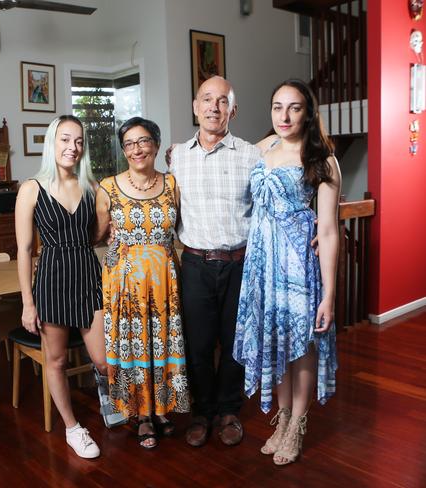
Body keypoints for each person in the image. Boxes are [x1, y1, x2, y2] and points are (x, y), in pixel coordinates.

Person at [233, 79, 340, 465]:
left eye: (294, 107)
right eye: (278, 107)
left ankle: (297, 423)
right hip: (262, 266)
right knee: (276, 344)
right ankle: (281, 420)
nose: (284, 115)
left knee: (302, 347)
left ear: (308, 112)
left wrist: (328, 294)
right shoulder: (260, 150)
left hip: (299, 264)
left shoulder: (322, 159)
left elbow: (327, 230)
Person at [168, 76, 261, 448]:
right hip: (195, 265)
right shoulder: (177, 158)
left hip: (240, 263)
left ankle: (229, 412)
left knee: (235, 343)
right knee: (198, 345)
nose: (213, 107)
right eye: (206, 99)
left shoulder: (253, 156)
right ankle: (202, 413)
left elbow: (266, 210)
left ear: (232, 110)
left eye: (222, 101)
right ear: (195, 107)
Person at [15, 115, 106, 459]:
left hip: (88, 273)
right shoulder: (31, 189)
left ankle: (107, 397)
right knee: (55, 361)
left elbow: (97, 236)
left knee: (102, 360)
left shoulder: (92, 187)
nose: (72, 147)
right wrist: (28, 303)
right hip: (51, 279)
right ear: (52, 144)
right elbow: (24, 250)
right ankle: (73, 428)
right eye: (65, 140)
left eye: (79, 141)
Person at [96, 117, 190, 450]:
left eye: (144, 141)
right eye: (130, 143)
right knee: (133, 348)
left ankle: (162, 410)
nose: (137, 149)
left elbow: (182, 229)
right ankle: (142, 415)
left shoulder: (172, 183)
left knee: (162, 344)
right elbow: (96, 234)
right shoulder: (107, 187)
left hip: (165, 279)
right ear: (123, 150)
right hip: (125, 282)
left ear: (157, 144)